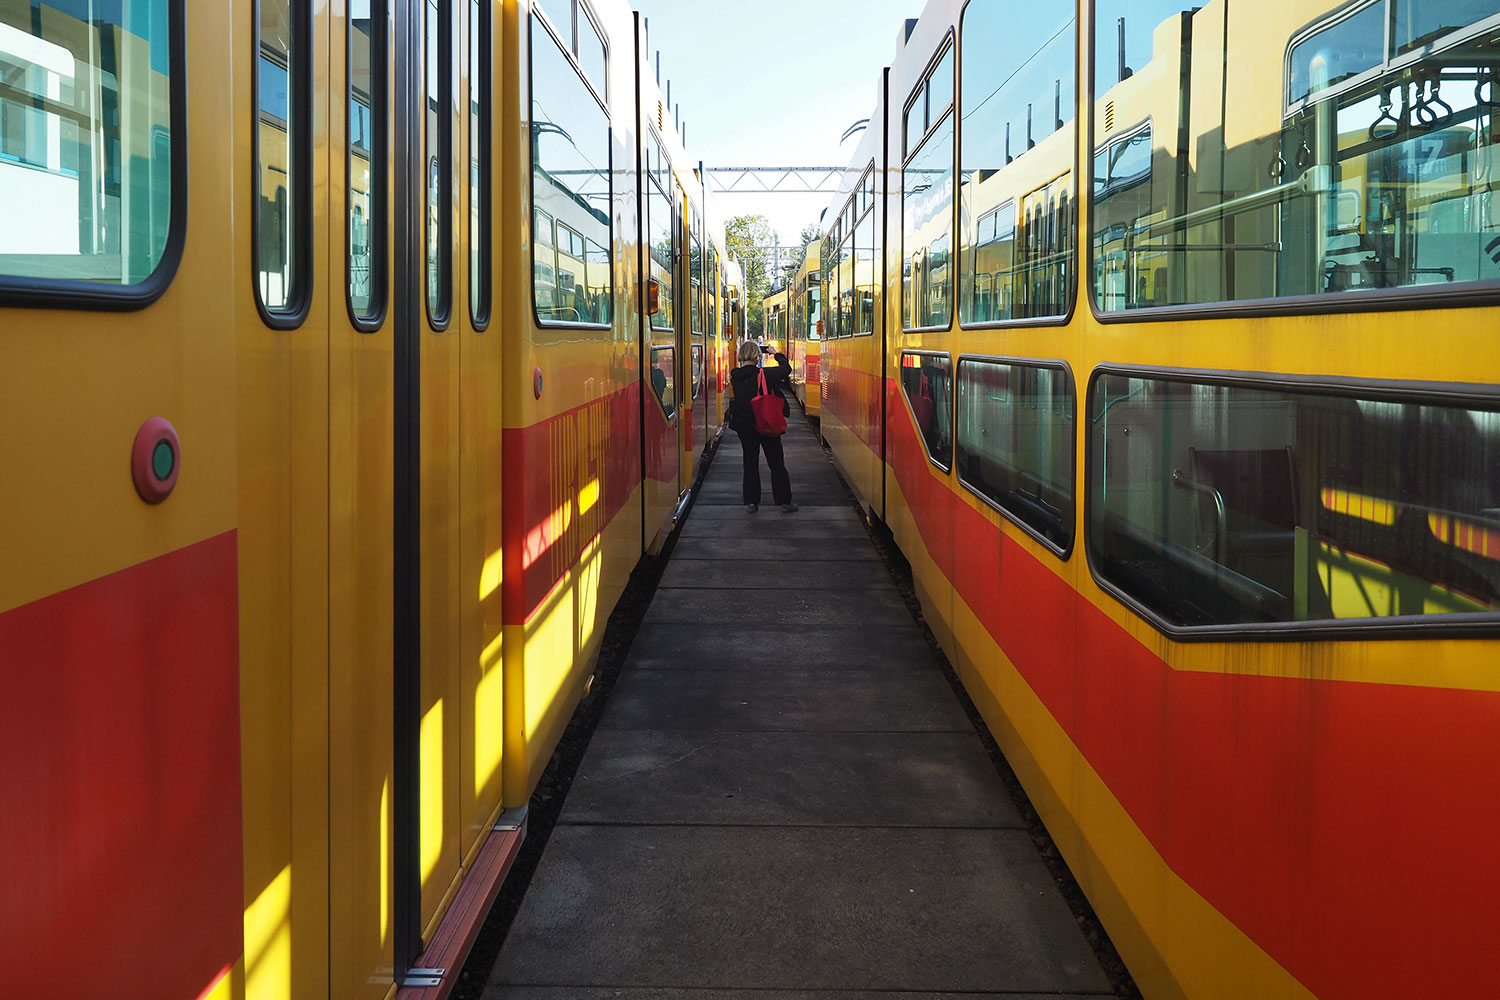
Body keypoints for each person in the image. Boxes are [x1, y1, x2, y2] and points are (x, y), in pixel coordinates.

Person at [726, 340, 796, 513]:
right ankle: (784, 502)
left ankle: (751, 502)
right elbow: (786, 369)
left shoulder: (735, 376)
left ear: (741, 356)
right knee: (776, 463)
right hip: (765, 422)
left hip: (745, 426)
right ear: (757, 356)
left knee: (750, 463)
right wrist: (775, 354)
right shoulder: (765, 374)